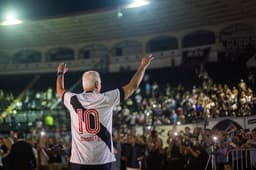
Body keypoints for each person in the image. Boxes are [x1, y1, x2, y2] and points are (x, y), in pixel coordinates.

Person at [56, 54, 153, 170]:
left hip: (79, 162)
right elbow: (133, 86)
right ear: (97, 84)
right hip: (102, 161)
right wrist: (142, 67)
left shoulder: (72, 99)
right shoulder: (106, 99)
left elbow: (60, 90)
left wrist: (60, 74)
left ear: (83, 85)